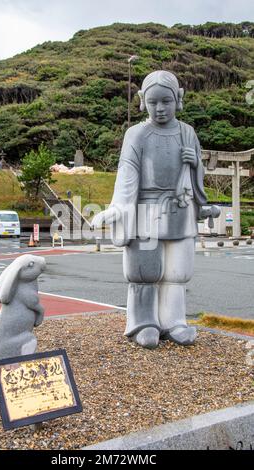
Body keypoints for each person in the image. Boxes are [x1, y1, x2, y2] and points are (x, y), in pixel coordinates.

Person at [92, 70, 211, 349]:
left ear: (177, 100)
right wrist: (118, 207)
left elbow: (198, 176)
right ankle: (143, 322)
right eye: (154, 102)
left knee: (176, 272)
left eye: (166, 102)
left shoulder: (187, 132)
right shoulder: (137, 134)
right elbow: (127, 172)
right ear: (143, 101)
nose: (160, 108)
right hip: (144, 209)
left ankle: (174, 321)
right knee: (145, 271)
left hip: (179, 208)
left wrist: (195, 164)